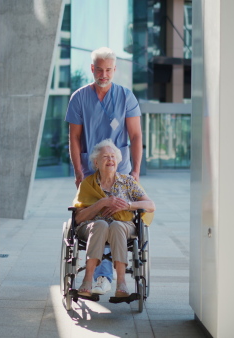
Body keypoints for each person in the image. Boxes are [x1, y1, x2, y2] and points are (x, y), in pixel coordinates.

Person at [65, 46, 143, 295]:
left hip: (119, 168)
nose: (104, 74)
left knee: (115, 219)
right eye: (99, 69)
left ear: (114, 70)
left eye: (109, 69)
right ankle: (103, 277)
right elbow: (74, 138)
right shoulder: (79, 97)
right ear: (92, 69)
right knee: (97, 219)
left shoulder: (126, 97)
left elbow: (136, 135)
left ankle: (103, 277)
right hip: (90, 169)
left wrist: (136, 172)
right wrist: (79, 171)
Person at [72, 139, 155, 298]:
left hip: (123, 226)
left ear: (117, 161)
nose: (110, 160)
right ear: (96, 162)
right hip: (92, 227)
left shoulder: (128, 182)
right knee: (101, 224)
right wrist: (101, 203)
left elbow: (150, 205)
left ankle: (121, 283)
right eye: (105, 157)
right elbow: (78, 218)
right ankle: (87, 280)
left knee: (116, 226)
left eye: (113, 157)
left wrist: (128, 205)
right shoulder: (87, 184)